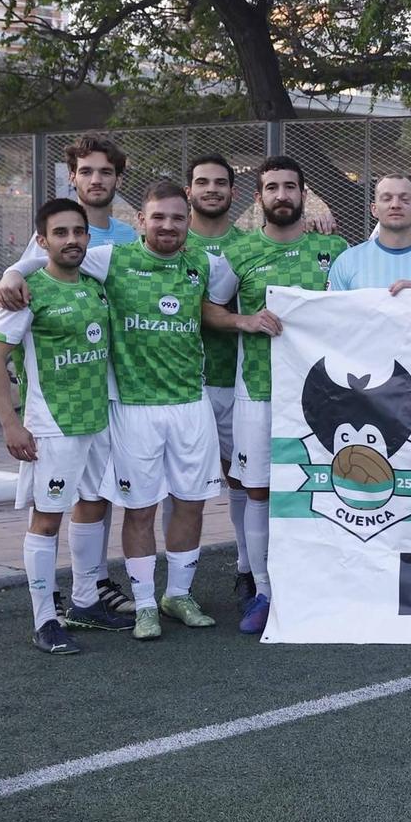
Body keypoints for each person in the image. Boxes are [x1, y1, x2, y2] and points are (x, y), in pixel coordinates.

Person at [0, 182, 240, 642]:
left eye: (176, 218)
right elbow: (48, 259)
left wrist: (243, 320)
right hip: (129, 409)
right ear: (141, 222)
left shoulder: (205, 264)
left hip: (191, 404)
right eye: (158, 217)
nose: (168, 226)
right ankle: (143, 603)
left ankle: (177, 595)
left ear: (188, 222)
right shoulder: (110, 259)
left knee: (190, 504)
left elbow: (222, 301)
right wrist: (10, 274)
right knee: (138, 508)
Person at [0, 199, 122, 651]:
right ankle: (45, 621)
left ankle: (84, 602)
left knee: (93, 506)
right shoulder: (24, 293)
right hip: (52, 425)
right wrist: (11, 423)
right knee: (46, 520)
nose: (72, 240)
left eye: (78, 232)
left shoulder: (96, 284)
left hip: (97, 421)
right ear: (42, 242)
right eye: (60, 233)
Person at [221, 158, 348, 636]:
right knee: (259, 490)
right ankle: (263, 591)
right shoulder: (240, 253)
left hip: (323, 395)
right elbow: (209, 309)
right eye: (271, 187)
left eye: (289, 187)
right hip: (258, 390)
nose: (281, 195)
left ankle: (321, 586)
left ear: (303, 193)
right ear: (259, 197)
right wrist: (243, 320)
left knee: (324, 487)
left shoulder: (332, 248)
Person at [184, 155, 255, 605]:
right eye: (202, 182)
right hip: (178, 386)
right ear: (189, 190)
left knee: (243, 479)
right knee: (181, 485)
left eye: (221, 183)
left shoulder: (249, 245)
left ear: (232, 192)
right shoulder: (165, 239)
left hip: (238, 380)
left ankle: (247, 570)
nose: (212, 189)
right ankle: (178, 584)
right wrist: (13, 275)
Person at [328, 175, 411, 291]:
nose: (395, 205)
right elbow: (332, 308)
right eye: (386, 199)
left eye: (404, 199)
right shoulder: (347, 261)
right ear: (374, 209)